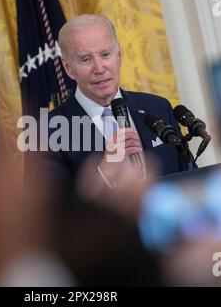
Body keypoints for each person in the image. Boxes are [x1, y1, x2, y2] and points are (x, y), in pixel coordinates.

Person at [28, 14, 190, 195]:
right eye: (85, 59)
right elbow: (53, 215)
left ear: (119, 54)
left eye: (105, 54)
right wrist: (103, 175)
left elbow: (188, 176)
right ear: (68, 68)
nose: (99, 68)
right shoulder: (45, 133)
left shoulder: (158, 108)